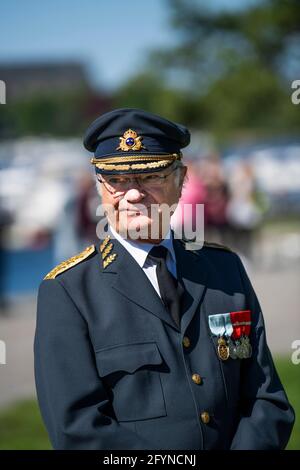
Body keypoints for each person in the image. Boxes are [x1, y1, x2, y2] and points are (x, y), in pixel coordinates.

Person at [34, 108, 295, 450]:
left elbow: (266, 400)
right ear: (99, 186)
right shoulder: (68, 291)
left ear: (182, 179)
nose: (132, 195)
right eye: (116, 180)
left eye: (148, 177)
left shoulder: (224, 270)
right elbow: (77, 430)